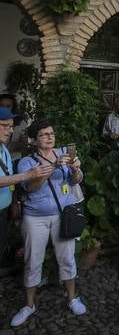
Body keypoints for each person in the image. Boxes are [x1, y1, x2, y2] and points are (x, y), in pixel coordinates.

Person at [11, 119, 85, 327]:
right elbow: (30, 187)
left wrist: (77, 169)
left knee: (67, 258)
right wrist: (52, 167)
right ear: (35, 140)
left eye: (51, 133)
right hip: (35, 218)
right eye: (44, 134)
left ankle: (72, 298)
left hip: (63, 215)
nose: (50, 137)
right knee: (33, 260)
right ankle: (29, 305)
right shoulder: (27, 162)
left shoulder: (64, 153)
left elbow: (75, 181)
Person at [0, 107, 53, 270]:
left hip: (4, 210)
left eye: (10, 126)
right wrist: (28, 175)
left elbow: (8, 177)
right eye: (4, 126)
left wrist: (14, 201)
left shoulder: (4, 149)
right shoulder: (24, 161)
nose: (10, 130)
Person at [0, 92, 29, 162]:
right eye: (2, 106)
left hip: (14, 159)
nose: (5, 108)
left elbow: (25, 143)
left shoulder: (20, 122)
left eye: (8, 106)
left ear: (13, 107)